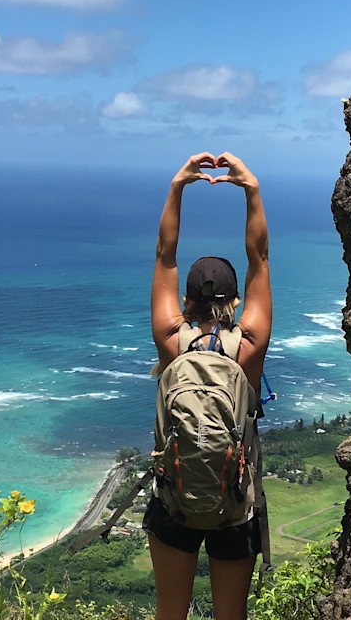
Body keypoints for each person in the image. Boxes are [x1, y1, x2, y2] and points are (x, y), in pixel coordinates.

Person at [146, 152, 272, 620]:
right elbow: (258, 257)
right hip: (235, 504)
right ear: (236, 301)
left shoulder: (169, 339)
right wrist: (251, 189)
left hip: (173, 502)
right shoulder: (250, 345)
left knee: (170, 613)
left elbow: (165, 254)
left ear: (187, 300)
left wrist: (177, 186)